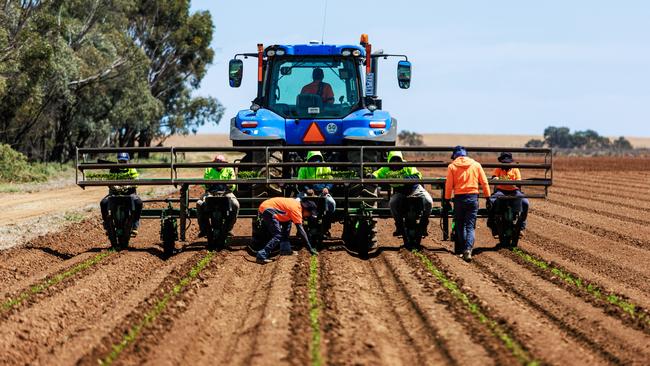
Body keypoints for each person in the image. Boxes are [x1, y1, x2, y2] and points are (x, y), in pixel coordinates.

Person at [372, 151, 433, 239]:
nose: (396, 163)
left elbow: (418, 175)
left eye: (398, 160)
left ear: (401, 160)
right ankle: (399, 226)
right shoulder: (385, 169)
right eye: (393, 160)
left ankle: (423, 225)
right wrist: (372, 176)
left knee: (428, 201)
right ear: (389, 161)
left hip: (415, 189)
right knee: (392, 203)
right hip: (400, 192)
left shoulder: (407, 166)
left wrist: (407, 179)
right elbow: (376, 174)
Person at [444, 146, 490, 262]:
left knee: (460, 225)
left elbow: (448, 185)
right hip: (473, 198)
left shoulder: (452, 166)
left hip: (459, 198)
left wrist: (447, 200)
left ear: (455, 156)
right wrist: (488, 197)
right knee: (470, 226)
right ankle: (468, 250)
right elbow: (484, 182)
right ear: (466, 155)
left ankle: (465, 248)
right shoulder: (476, 165)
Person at [256, 197, 318, 264]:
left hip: (270, 206)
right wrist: (309, 248)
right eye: (310, 214)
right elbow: (301, 231)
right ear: (306, 210)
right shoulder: (296, 210)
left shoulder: (297, 205)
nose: (309, 216)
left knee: (287, 223)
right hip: (267, 209)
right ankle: (261, 256)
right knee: (278, 235)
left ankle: (285, 250)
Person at [196, 154, 240, 238]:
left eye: (221, 162)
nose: (219, 163)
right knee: (199, 204)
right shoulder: (209, 169)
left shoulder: (229, 169)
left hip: (226, 193)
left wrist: (229, 185)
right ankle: (204, 229)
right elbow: (205, 184)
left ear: (225, 163)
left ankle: (228, 228)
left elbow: (233, 185)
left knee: (235, 205)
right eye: (217, 162)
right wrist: (208, 185)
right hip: (211, 193)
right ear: (214, 162)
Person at [100, 152, 142, 237]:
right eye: (120, 161)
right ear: (118, 161)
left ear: (128, 161)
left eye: (124, 161)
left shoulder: (132, 169)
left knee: (139, 203)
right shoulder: (113, 169)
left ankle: (135, 224)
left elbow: (136, 181)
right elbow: (109, 182)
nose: (122, 163)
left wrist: (128, 185)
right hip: (114, 193)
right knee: (103, 203)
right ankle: (107, 225)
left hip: (130, 193)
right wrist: (113, 186)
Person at [487, 152, 529, 235]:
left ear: (510, 162)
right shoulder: (498, 169)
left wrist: (515, 183)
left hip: (514, 191)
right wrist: (495, 178)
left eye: (508, 162)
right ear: (501, 162)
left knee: (525, 203)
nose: (506, 164)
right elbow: (494, 176)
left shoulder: (515, 169)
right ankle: (492, 224)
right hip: (501, 191)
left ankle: (521, 226)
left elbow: (518, 182)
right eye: (504, 162)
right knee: (490, 202)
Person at [297, 151, 336, 234]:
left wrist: (327, 188)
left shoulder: (325, 166)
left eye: (317, 159)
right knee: (296, 203)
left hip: (322, 193)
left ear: (320, 159)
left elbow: (331, 180)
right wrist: (307, 189)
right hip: (306, 193)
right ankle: (300, 227)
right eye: (313, 159)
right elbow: (300, 182)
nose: (315, 161)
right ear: (309, 159)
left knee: (332, 203)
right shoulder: (304, 167)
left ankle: (326, 225)